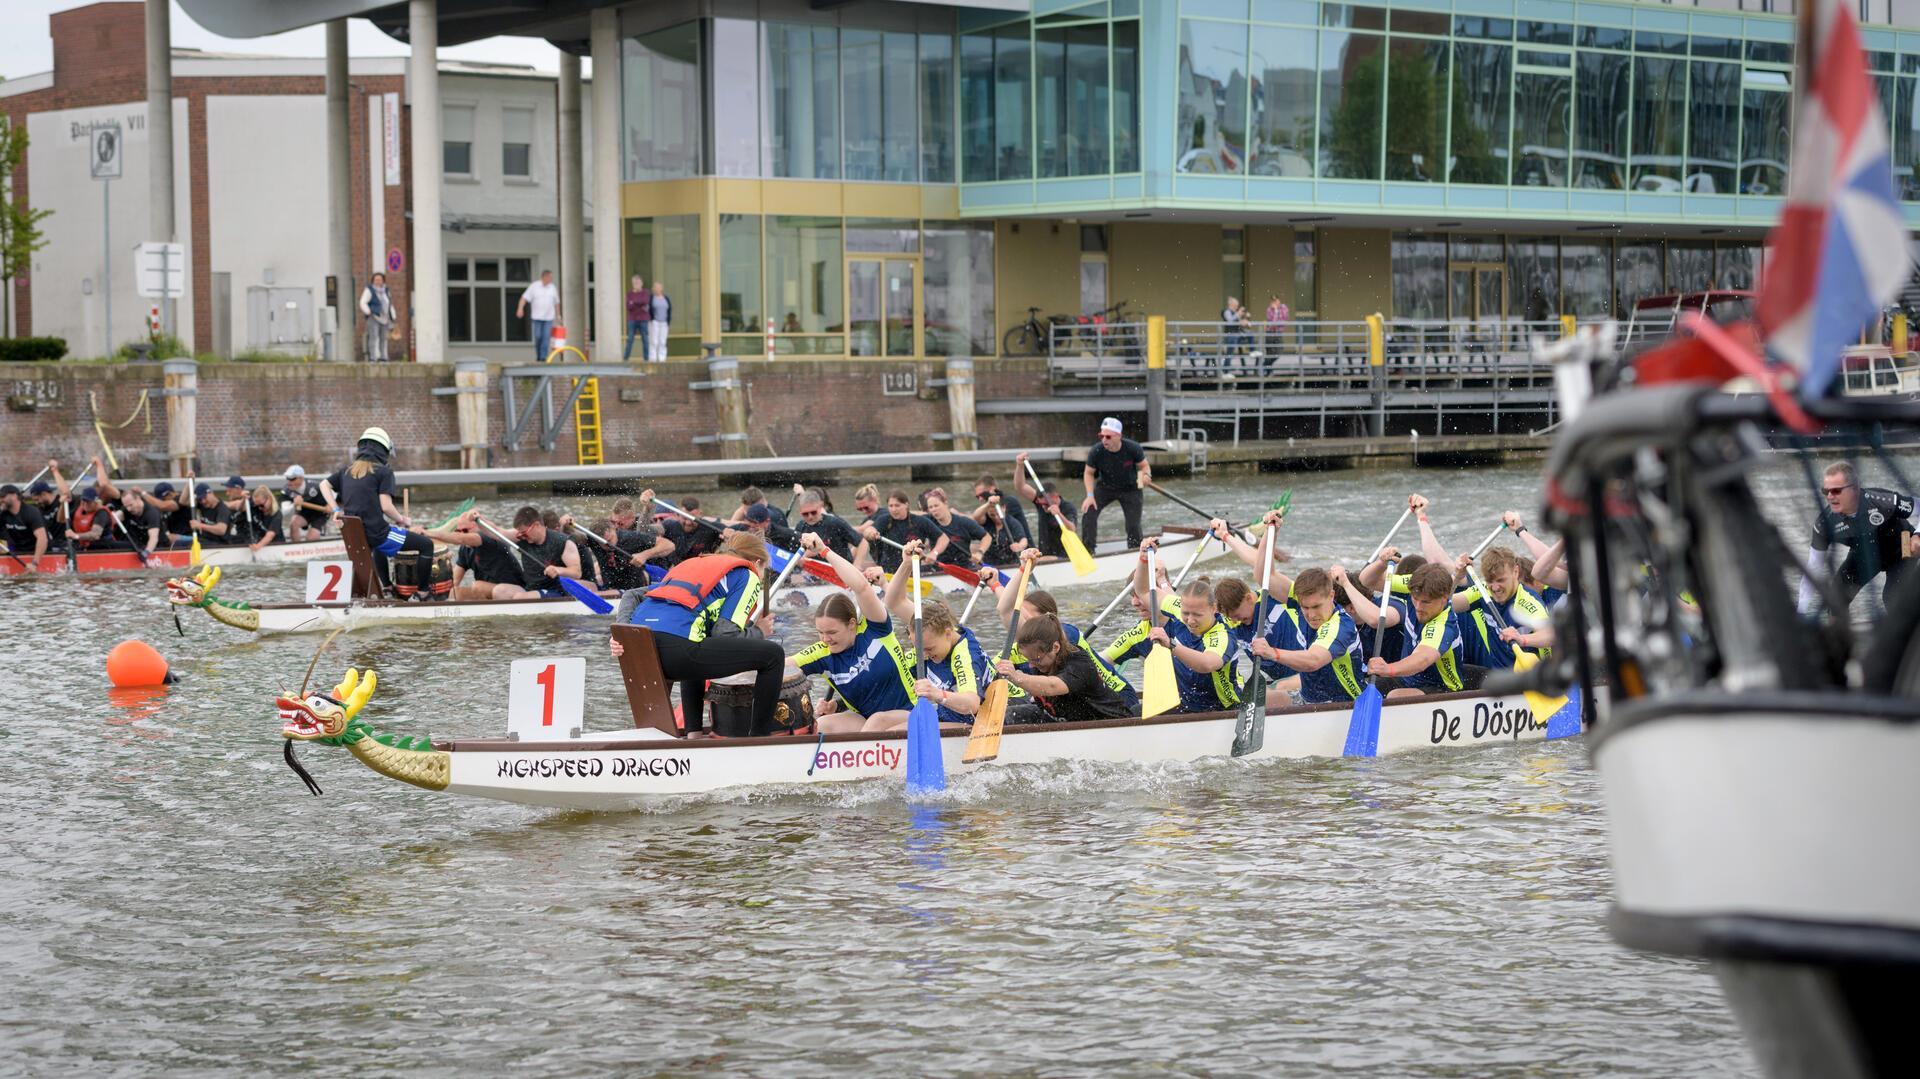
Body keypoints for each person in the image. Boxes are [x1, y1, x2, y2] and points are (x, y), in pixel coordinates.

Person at [612, 530, 786, 737]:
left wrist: (624, 635)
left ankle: (693, 735)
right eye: (763, 569)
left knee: (696, 636)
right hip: (677, 654)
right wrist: (759, 631)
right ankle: (760, 739)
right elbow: (725, 634)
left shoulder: (692, 564)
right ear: (757, 562)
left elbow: (632, 595)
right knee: (773, 655)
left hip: (640, 650)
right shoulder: (747, 574)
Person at [792, 533, 919, 733]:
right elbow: (779, 667)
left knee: (877, 721)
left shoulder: (875, 629)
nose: (826, 639)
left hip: (909, 712)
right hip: (863, 721)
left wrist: (824, 551)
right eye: (820, 633)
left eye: (832, 632)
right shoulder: (822, 653)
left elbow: (860, 587)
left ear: (852, 624)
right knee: (819, 726)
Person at [319, 426, 434, 592]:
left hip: (356, 536)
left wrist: (336, 509)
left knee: (380, 546)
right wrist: (402, 519)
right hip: (377, 535)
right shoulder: (384, 472)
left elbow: (324, 484)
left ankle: (387, 587)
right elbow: (386, 506)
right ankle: (423, 593)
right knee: (426, 545)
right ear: (383, 450)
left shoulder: (346, 471)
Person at [1133, 541, 1239, 713]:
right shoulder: (1177, 609)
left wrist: (1171, 645)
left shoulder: (1221, 635)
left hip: (1221, 709)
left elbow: (1207, 664)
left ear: (1213, 609)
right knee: (1135, 712)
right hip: (1185, 705)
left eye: (1197, 615)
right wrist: (1143, 560)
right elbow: (1143, 591)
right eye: (1186, 613)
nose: (1190, 621)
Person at [1800, 460, 1914, 612]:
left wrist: (1918, 535)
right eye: (1825, 491)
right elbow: (1813, 568)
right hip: (1865, 553)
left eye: (1836, 491)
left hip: (1903, 546)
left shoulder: (1882, 501)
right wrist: (1800, 614)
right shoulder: (1824, 525)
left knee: (1891, 597)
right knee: (1836, 600)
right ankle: (1839, 635)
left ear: (1854, 489)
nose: (1829, 496)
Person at [1356, 562, 1477, 697]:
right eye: (1415, 599)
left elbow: (1422, 659)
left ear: (1444, 599)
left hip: (1442, 689)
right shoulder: (1415, 587)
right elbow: (1367, 581)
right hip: (1408, 679)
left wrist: (1388, 669)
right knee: (1360, 690)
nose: (1418, 606)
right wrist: (1382, 563)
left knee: (1395, 697)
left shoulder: (1443, 625)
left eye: (1425, 602)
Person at [998, 614, 1139, 724]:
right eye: (1028, 660)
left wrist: (1015, 677)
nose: (1031, 665)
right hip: (1063, 719)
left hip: (1109, 722)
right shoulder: (1041, 658)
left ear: (1055, 647)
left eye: (1036, 660)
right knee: (1007, 715)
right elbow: (1006, 611)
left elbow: (1053, 686)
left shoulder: (1078, 662)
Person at [1452, 547, 1553, 671]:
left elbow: (1550, 635)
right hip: (1498, 674)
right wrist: (1456, 577)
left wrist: (1522, 639)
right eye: (1490, 581)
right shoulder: (1483, 591)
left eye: (1501, 580)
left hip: (1530, 676)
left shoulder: (1528, 602)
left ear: (1515, 572)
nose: (1495, 588)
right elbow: (1444, 604)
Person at [909, 597, 991, 729]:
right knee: (882, 721)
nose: (923, 655)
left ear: (948, 633)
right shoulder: (933, 641)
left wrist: (935, 693)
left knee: (910, 728)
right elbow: (895, 602)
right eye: (918, 649)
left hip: (986, 718)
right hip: (952, 717)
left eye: (929, 649)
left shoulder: (965, 655)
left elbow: (972, 704)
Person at [422, 509, 538, 600]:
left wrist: (427, 533)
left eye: (466, 530)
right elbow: (454, 581)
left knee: (477, 586)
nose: (462, 534)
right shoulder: (465, 549)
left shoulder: (488, 539)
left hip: (514, 590)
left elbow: (459, 539)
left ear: (477, 527)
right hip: (490, 592)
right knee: (454, 592)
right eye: (459, 530)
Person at [1080, 417, 1150, 550]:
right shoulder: (1096, 451)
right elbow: (1088, 473)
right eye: (1101, 436)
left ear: (1118, 436)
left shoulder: (1133, 448)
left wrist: (1146, 476)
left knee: (1133, 525)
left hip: (1130, 489)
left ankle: (1135, 550)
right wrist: (1089, 495)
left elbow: (1144, 466)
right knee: (1089, 511)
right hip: (1106, 487)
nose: (1104, 440)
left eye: (1108, 436)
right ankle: (1088, 550)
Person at [1011, 452, 1080, 560]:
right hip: (1045, 555)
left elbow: (1072, 529)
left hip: (1065, 557)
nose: (1043, 507)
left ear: (1055, 497)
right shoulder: (1041, 502)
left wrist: (1059, 515)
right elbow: (1020, 487)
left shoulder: (1068, 507)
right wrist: (1020, 465)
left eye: (1045, 504)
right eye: (1041, 504)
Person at [857, 489, 942, 575]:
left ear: (906, 505)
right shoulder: (884, 520)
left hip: (914, 572)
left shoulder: (920, 521)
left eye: (897, 505)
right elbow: (868, 530)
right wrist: (870, 533)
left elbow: (943, 538)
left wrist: (934, 553)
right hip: (889, 572)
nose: (893, 509)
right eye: (891, 506)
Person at [793, 489, 866, 565]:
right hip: (815, 570)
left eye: (813, 512)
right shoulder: (800, 526)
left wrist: (857, 564)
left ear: (821, 506)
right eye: (805, 514)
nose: (810, 517)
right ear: (800, 511)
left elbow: (862, 542)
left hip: (841, 568)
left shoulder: (835, 522)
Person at [921, 490, 989, 569]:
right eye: (930, 507)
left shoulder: (962, 522)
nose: (933, 509)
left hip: (964, 567)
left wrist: (980, 553)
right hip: (939, 568)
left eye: (936, 506)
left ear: (945, 503)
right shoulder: (928, 521)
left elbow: (987, 537)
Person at [0, 484, 49, 569]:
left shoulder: (31, 512)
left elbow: (42, 539)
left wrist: (34, 563)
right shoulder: (3, 514)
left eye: (2, 496)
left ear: (14, 496)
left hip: (36, 553)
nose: (0, 500)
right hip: (17, 552)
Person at [516, 269, 560, 361]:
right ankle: (539, 355)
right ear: (544, 277)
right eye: (549, 277)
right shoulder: (534, 286)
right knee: (538, 336)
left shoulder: (552, 288)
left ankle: (543, 358)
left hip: (548, 317)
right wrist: (520, 309)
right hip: (537, 317)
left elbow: (556, 302)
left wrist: (558, 315)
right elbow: (524, 298)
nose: (551, 279)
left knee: (546, 337)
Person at [281, 465, 329, 540]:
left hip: (320, 514)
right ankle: (295, 548)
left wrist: (330, 505)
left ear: (301, 478)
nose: (289, 482)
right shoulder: (286, 490)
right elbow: (284, 512)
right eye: (288, 478)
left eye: (292, 479)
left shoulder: (316, 486)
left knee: (311, 537)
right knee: (293, 524)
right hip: (304, 513)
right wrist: (294, 504)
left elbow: (334, 494)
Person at [360, 272, 394, 362]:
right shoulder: (369, 290)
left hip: (385, 317)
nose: (378, 281)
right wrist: (368, 311)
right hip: (374, 316)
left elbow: (390, 303)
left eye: (380, 279)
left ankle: (383, 356)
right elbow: (363, 302)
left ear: (383, 280)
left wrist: (392, 316)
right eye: (376, 279)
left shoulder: (386, 290)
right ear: (373, 281)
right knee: (374, 337)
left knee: (384, 338)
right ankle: (373, 357)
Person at [241, 486, 286, 551]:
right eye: (257, 505)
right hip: (258, 541)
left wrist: (257, 546)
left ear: (269, 499)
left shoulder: (277, 515)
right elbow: (241, 509)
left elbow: (270, 535)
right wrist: (243, 499)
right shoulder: (256, 502)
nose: (259, 508)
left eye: (261, 505)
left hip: (276, 544)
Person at [64, 487, 109, 551]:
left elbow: (95, 535)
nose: (85, 504)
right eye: (84, 501)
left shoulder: (101, 513)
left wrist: (76, 536)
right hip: (84, 545)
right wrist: (63, 504)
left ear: (95, 502)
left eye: (88, 502)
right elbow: (61, 520)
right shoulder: (79, 510)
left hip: (102, 546)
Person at [624, 276, 651, 361]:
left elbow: (645, 301)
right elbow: (629, 306)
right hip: (632, 319)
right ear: (632, 284)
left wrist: (634, 302)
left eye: (638, 283)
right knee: (630, 339)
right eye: (635, 283)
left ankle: (646, 359)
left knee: (645, 339)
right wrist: (639, 304)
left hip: (643, 319)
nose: (636, 285)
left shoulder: (645, 292)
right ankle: (625, 358)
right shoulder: (629, 294)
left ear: (642, 283)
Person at [648, 282, 671, 362]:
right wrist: (651, 319)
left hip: (664, 323)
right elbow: (648, 309)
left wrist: (668, 321)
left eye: (658, 287)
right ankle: (653, 359)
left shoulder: (666, 298)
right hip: (655, 322)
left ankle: (662, 358)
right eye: (655, 287)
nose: (656, 289)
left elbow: (669, 310)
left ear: (661, 289)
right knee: (654, 341)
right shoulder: (651, 298)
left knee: (662, 341)